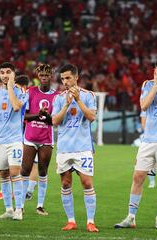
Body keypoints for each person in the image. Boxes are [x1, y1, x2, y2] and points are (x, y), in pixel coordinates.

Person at [114, 58, 157, 230]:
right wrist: (156, 85)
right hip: (148, 140)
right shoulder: (146, 84)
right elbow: (144, 105)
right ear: (154, 70)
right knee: (138, 176)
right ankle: (131, 217)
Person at [52, 64, 99, 232]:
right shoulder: (58, 98)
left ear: (76, 78)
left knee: (87, 183)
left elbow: (92, 117)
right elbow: (55, 122)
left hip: (83, 147)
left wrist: (78, 100)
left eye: (68, 78)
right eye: (62, 78)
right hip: (64, 148)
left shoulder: (88, 96)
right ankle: (71, 221)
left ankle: (90, 221)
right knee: (65, 183)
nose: (65, 81)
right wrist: (66, 105)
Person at [0, 62, 28, 220]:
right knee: (2, 174)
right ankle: (8, 210)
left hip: (14, 140)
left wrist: (10, 86)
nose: (4, 75)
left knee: (15, 173)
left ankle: (19, 209)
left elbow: (16, 106)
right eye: (2, 72)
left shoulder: (22, 91)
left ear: (14, 74)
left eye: (8, 72)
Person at [21, 64, 59, 216]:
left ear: (51, 76)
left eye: (46, 76)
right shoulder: (30, 92)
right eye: (41, 76)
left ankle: (40, 206)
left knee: (43, 171)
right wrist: (38, 115)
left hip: (46, 139)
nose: (43, 78)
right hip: (30, 137)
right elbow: (23, 115)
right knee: (25, 170)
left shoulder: (56, 96)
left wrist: (46, 116)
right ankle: (21, 205)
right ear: (38, 76)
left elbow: (54, 121)